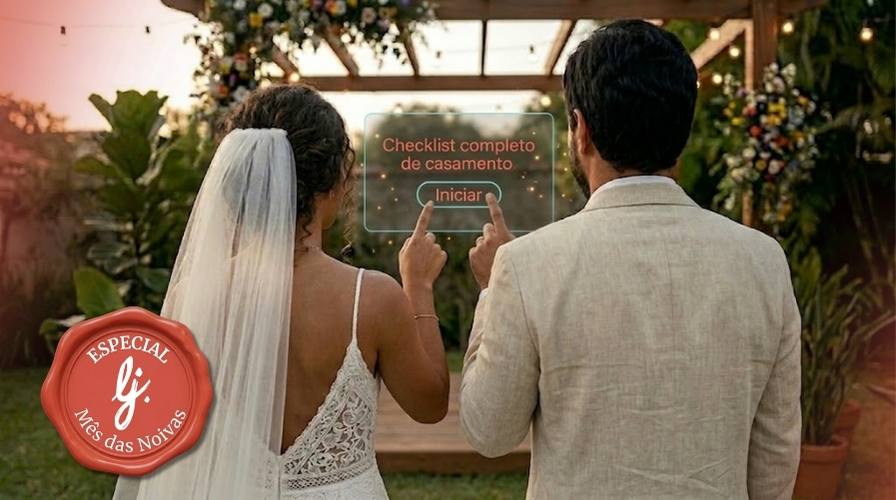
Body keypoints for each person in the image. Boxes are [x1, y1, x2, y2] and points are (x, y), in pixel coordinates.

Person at [461, 20, 801, 499]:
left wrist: (492, 291)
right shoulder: (763, 261)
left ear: (581, 129)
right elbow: (775, 462)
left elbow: (489, 431)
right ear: (682, 129)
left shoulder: (524, 265)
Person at [113, 84, 449, 499]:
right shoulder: (373, 297)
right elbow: (429, 405)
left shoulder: (192, 296)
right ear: (332, 181)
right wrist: (419, 286)